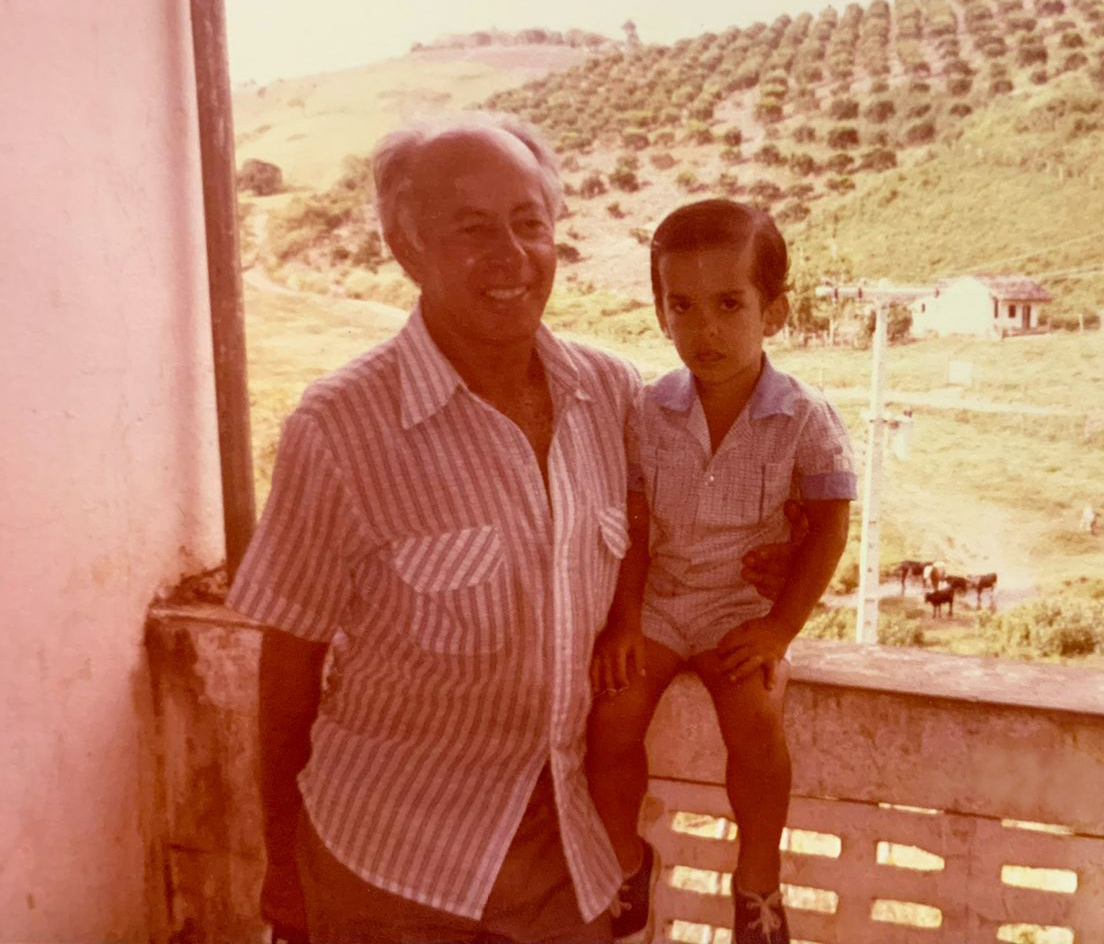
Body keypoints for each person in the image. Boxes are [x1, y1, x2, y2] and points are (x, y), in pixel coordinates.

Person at [229, 116, 791, 944]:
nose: (512, 255)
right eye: (472, 229)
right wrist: (283, 866)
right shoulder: (341, 425)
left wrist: (772, 562)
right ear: (408, 249)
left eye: (530, 223)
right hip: (386, 870)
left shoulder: (611, 395)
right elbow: (288, 664)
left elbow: (670, 528)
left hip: (567, 860)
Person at [585, 200, 855, 944]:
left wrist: (779, 629)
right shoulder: (645, 411)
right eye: (684, 306)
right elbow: (636, 527)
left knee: (757, 722)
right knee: (610, 717)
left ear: (774, 313)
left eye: (730, 304)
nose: (705, 329)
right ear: (661, 314)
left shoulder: (804, 416)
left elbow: (830, 526)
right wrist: (624, 622)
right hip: (661, 603)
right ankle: (626, 862)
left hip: (741, 609)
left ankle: (758, 882)